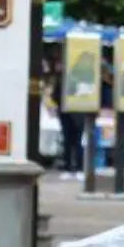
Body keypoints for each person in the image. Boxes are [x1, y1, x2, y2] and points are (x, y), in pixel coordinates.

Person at [50, 51, 85, 181]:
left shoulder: (62, 78)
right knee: (77, 142)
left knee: (68, 142)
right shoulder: (81, 78)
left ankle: (70, 168)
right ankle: (79, 168)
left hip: (66, 113)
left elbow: (55, 95)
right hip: (77, 113)